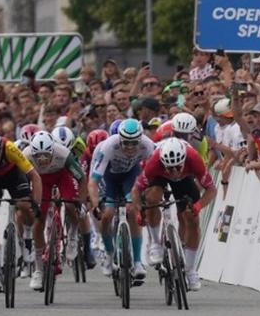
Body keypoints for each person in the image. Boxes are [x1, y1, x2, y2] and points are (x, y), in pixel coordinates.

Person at [133, 138, 217, 291]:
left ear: (183, 161)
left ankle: (191, 270)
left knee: (191, 218)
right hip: (159, 176)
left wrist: (198, 206)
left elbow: (211, 190)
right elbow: (136, 190)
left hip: (185, 179)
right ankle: (155, 243)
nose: (174, 172)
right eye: (170, 168)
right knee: (152, 198)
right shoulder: (155, 161)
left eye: (177, 167)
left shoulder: (193, 158)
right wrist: (140, 210)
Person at [87, 119, 156, 281]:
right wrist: (96, 204)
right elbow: (93, 181)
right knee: (107, 215)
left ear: (140, 139)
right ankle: (110, 255)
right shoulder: (108, 146)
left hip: (130, 175)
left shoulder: (147, 145)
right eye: (126, 143)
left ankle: (138, 261)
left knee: (132, 210)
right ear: (119, 139)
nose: (130, 148)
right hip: (108, 176)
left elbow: (155, 173)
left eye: (134, 143)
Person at [0, 129, 42, 292]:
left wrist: (36, 203)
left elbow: (34, 176)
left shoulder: (10, 148)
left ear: (1, 150)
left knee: (25, 205)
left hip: (13, 176)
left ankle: (27, 239)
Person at [22, 131, 88, 290]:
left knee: (71, 204)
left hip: (62, 176)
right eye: (39, 156)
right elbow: (22, 182)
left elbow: (81, 179)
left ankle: (72, 235)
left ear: (53, 150)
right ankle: (38, 269)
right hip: (40, 180)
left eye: (46, 155)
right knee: (39, 219)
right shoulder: (25, 155)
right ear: (33, 152)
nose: (43, 160)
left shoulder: (63, 154)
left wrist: (82, 202)